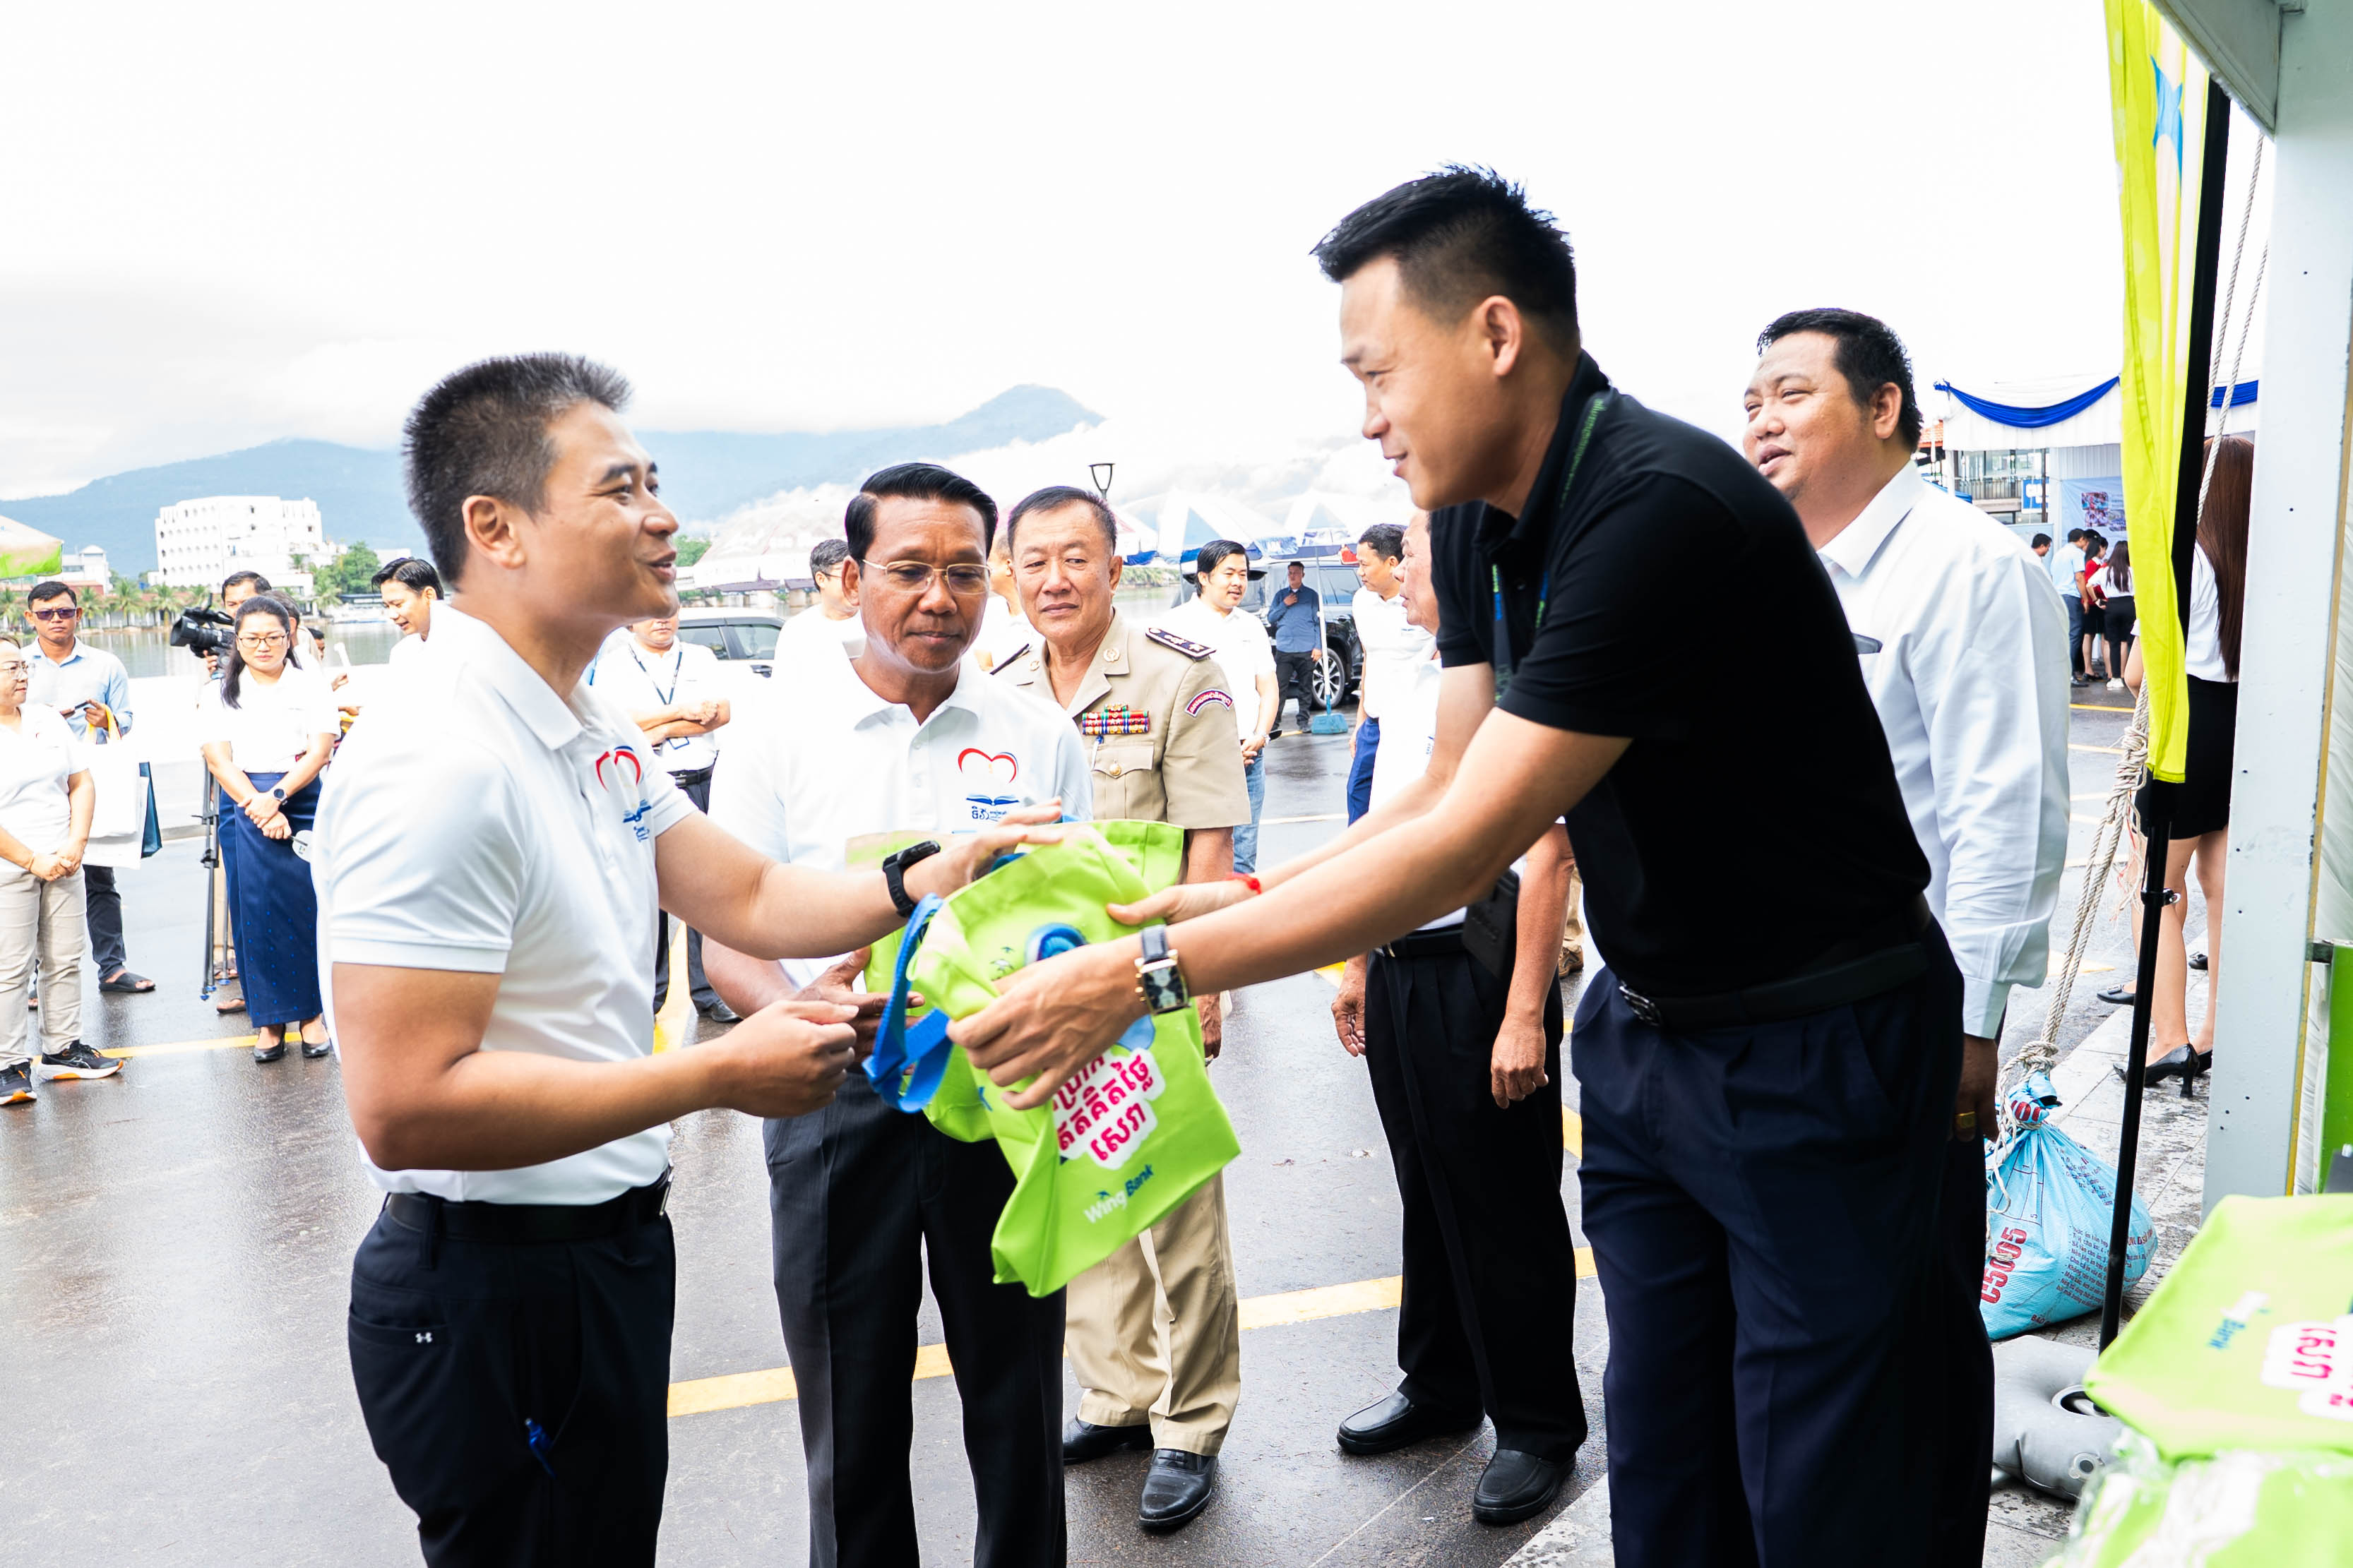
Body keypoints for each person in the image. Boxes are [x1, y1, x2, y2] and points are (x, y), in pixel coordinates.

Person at [951, 167, 1960, 1568]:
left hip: (1813, 1031)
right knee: (1667, 1456)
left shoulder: (1658, 506)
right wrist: (1248, 896)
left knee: (1833, 1475)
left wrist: (1150, 972)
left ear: (1494, 335)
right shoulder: (1485, 511)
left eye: (1378, 374)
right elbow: (1440, 778)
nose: (1367, 418)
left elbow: (1472, 839)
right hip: (1653, 1030)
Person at [318, 356, 1044, 1568]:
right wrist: (717, 1073)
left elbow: (745, 891)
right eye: (621, 489)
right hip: (495, 1287)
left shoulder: (582, 720)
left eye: (654, 482)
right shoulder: (438, 757)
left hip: (600, 1251)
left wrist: (923, 872)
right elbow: (405, 1104)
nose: (662, 516)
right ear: (495, 528)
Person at [702, 463, 1085, 1568]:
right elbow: (731, 937)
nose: (938, 597)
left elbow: (1079, 914)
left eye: (964, 572)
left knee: (1017, 1397)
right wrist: (801, 1018)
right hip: (835, 1095)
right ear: (853, 576)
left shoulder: (1038, 734)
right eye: (909, 570)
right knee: (852, 1410)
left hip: (998, 1092)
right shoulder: (777, 733)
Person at [1744, 306, 2071, 1568]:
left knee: (1913, 1329)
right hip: (1791, 1021)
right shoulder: (1775, 569)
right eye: (1751, 400)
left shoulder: (1968, 567)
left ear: (1884, 409)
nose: (1762, 421)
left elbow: (2005, 812)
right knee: (1830, 1341)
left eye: (1792, 393)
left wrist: (1974, 1030)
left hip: (1906, 1015)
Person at [994, 484, 1252, 1533]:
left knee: (1176, 1199)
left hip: (1149, 979)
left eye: (1077, 558)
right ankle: (1118, 1392)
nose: (1055, 579)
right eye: (1035, 560)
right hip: (1046, 989)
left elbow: (1209, 842)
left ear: (1114, 568)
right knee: (1084, 1191)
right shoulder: (1000, 687)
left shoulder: (1179, 675)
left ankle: (1191, 1420)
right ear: (1011, 573)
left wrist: (1205, 981)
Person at [1328, 511, 1587, 1522]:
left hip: (1479, 967)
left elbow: (1548, 855)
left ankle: (1537, 1424)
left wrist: (1524, 1013)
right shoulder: (1413, 676)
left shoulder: (1518, 682)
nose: (1400, 574)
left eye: (1418, 556)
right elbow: (1380, 837)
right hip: (1400, 964)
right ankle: (1439, 1385)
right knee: (1426, 1188)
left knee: (1503, 1201)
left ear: (1473, 568)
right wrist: (1358, 960)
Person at [2110, 433, 2252, 1089]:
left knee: (2154, 887)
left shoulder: (2182, 557)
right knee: (2222, 890)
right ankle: (2218, 1032)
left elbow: (2138, 675)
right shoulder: (2265, 559)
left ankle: (2169, 1038)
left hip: (2186, 728)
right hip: (2244, 725)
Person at [198, 595, 338, 1063]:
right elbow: (218, 759)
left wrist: (275, 798)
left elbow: (320, 750)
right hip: (243, 800)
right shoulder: (220, 691)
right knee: (254, 913)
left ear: (289, 637)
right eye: (253, 638)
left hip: (300, 797)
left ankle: (313, 1015)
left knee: (307, 908)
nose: (263, 646)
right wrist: (258, 805)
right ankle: (269, 1020)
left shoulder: (310, 684)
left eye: (273, 637)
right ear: (237, 641)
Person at [588, 611, 734, 1022]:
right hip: (644, 787)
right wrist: (684, 711)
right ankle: (649, 997)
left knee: (706, 892)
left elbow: (721, 714)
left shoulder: (701, 657)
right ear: (630, 622)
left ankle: (709, 993)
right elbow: (616, 722)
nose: (662, 620)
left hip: (701, 782)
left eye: (669, 612)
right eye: (651, 615)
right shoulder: (615, 665)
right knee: (646, 893)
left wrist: (660, 728)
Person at [20, 579, 152, 998]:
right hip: (34, 784)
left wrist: (106, 718)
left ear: (78, 614)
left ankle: (112, 968)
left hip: (89, 781)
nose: (56, 620)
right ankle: (35, 979)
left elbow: (126, 719)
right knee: (32, 878)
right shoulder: (19, 664)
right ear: (30, 618)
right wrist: (42, 718)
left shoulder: (105, 664)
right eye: (46, 614)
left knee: (98, 875)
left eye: (64, 612)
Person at [0, 634, 112, 1106]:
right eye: (11, 668)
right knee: (10, 967)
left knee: (65, 957)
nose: (22, 674)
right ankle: (7, 1063)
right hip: (11, 863)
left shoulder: (46, 719)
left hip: (62, 855)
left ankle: (62, 1049)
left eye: (23, 666)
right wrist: (31, 859)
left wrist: (75, 842)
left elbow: (80, 781)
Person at [1154, 541, 1275, 871]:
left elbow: (1268, 688)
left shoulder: (1251, 626)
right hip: (1195, 757)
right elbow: (1161, 693)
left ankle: (1240, 907)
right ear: (1204, 578)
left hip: (1249, 754)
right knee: (1194, 852)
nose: (1238, 582)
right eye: (1229, 573)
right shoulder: (1172, 624)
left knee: (1243, 857)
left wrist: (1260, 735)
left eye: (1243, 574)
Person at [1345, 522, 1428, 823]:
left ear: (1392, 562)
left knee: (1406, 810)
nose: (1360, 572)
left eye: (1365, 564)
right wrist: (1360, 722)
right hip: (1375, 725)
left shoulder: (1422, 604)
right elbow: (1370, 658)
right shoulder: (1362, 601)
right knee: (1359, 799)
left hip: (1414, 725)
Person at [774, 538, 865, 664]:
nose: (856, 584)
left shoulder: (876, 624)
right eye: (847, 577)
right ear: (821, 580)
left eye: (859, 576)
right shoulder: (797, 631)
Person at [1264, 559, 1323, 731]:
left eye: (1296, 573)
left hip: (1306, 648)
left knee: (1305, 688)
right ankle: (1274, 724)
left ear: (1303, 574)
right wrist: (1285, 604)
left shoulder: (1312, 596)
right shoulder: (1281, 595)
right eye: (1290, 573)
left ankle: (1303, 722)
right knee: (1280, 687)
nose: (1292, 576)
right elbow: (1271, 618)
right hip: (1285, 649)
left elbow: (1318, 623)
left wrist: (1318, 646)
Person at [972, 525, 1037, 671]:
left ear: (1009, 567)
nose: (982, 570)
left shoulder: (1042, 614)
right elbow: (981, 664)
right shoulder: (988, 611)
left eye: (988, 562)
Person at [373, 557, 443, 666]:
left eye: (398, 604)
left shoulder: (467, 642)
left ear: (429, 596)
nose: (392, 615)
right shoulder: (402, 653)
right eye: (387, 606)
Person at [2088, 539, 2136, 692]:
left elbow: (2089, 584)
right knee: (2128, 642)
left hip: (2112, 606)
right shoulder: (2132, 571)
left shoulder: (2106, 571)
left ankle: (2115, 678)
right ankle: (2128, 675)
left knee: (2113, 643)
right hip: (2130, 605)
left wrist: (2096, 600)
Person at [2050, 528, 2090, 684]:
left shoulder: (2058, 554)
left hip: (2058, 597)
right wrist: (2085, 599)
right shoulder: (2077, 553)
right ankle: (2070, 674)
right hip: (2071, 597)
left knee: (2063, 635)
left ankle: (2061, 673)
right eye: (2085, 541)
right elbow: (2079, 577)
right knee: (2074, 635)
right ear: (2081, 539)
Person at [2079, 532, 2109, 681]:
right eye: (2105, 549)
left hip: (2092, 603)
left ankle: (2091, 669)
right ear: (2099, 548)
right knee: (2097, 636)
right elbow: (2091, 584)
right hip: (2095, 603)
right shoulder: (2093, 564)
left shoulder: (2091, 563)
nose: (2105, 553)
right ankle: (2091, 669)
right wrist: (2098, 599)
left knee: (2090, 635)